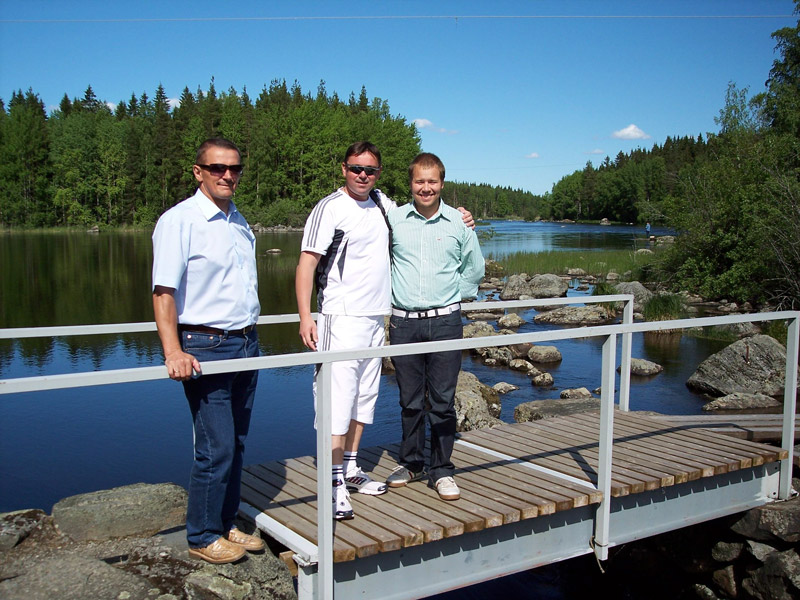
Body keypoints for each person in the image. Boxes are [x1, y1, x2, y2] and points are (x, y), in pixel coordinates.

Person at [295, 142, 474, 520]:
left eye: (371, 170)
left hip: (379, 319)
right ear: (343, 168)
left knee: (363, 399)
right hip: (339, 319)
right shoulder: (329, 208)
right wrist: (304, 316)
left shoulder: (382, 205)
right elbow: (307, 262)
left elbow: (425, 212)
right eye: (356, 168)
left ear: (379, 174)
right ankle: (333, 482)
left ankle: (353, 467)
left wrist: (462, 217)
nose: (363, 175)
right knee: (336, 401)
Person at [152, 138, 264, 564]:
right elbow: (164, 293)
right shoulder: (179, 221)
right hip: (205, 345)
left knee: (234, 441)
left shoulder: (238, 221)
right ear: (198, 171)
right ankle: (201, 535)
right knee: (214, 445)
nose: (227, 175)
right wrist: (172, 351)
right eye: (217, 168)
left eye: (234, 168)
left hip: (246, 341)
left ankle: (227, 522)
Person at [385, 152, 484, 501]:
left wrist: (453, 299)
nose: (425, 188)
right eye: (419, 181)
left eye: (432, 182)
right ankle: (411, 463)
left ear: (441, 184)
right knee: (410, 401)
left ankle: (441, 470)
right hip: (404, 323)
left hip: (445, 323)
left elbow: (474, 268)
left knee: (442, 402)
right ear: (410, 184)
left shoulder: (459, 223)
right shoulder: (393, 219)